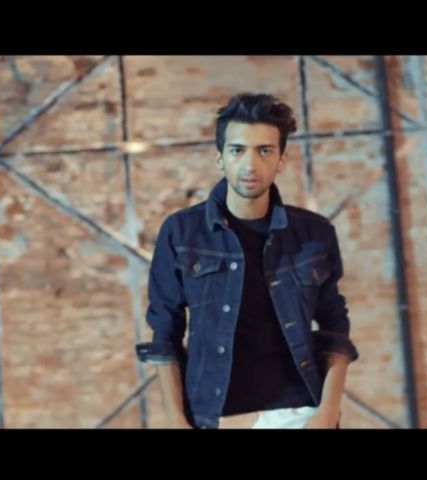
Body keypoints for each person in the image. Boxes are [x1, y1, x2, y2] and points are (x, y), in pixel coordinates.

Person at [136, 92, 359, 429]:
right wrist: (176, 422)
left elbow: (334, 325)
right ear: (220, 158)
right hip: (218, 417)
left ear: (281, 159)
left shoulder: (314, 233)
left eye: (264, 150)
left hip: (299, 413)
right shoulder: (182, 232)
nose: (250, 165)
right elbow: (165, 334)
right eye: (237, 150)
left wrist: (328, 413)